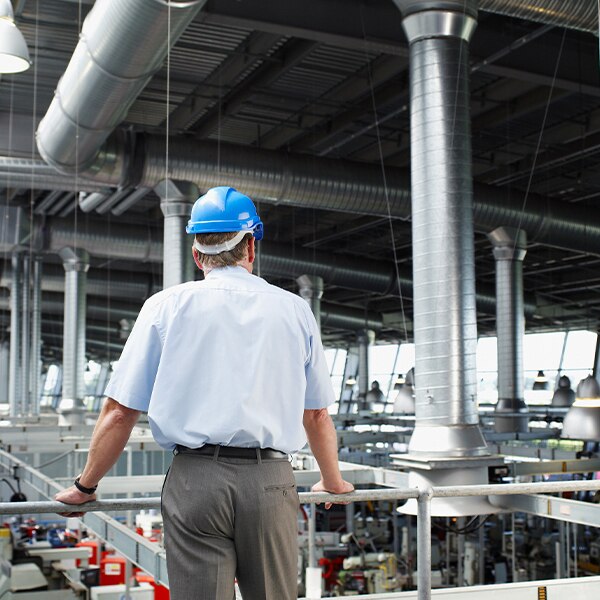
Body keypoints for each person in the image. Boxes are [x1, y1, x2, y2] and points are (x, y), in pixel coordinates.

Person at [55, 186, 354, 600]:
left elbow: (120, 411)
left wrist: (85, 486)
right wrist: (333, 481)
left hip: (196, 482)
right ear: (251, 244)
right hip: (270, 480)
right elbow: (317, 414)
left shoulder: (165, 306)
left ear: (197, 255)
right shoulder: (294, 310)